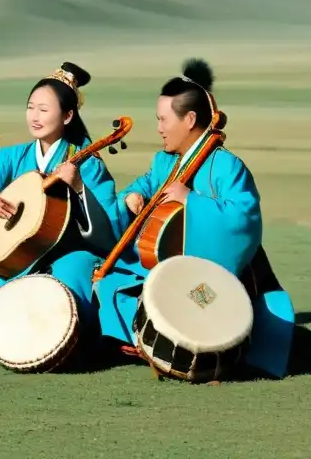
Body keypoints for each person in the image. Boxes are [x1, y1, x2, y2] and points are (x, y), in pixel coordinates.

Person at [93, 58, 296, 379]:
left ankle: (196, 352)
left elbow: (244, 218)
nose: (158, 128)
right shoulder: (165, 162)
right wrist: (132, 196)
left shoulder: (227, 166)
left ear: (189, 119)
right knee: (111, 282)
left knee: (198, 299)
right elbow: (146, 184)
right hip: (166, 261)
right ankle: (140, 342)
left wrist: (192, 201)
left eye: (163, 119)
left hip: (218, 271)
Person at [0, 62, 124, 335]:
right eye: (30, 107)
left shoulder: (88, 163)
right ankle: (4, 333)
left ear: (68, 116)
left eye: (44, 110)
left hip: (66, 251)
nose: (34, 116)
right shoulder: (18, 156)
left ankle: (68, 338)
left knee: (71, 271)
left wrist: (80, 187)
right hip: (20, 248)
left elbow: (109, 225)